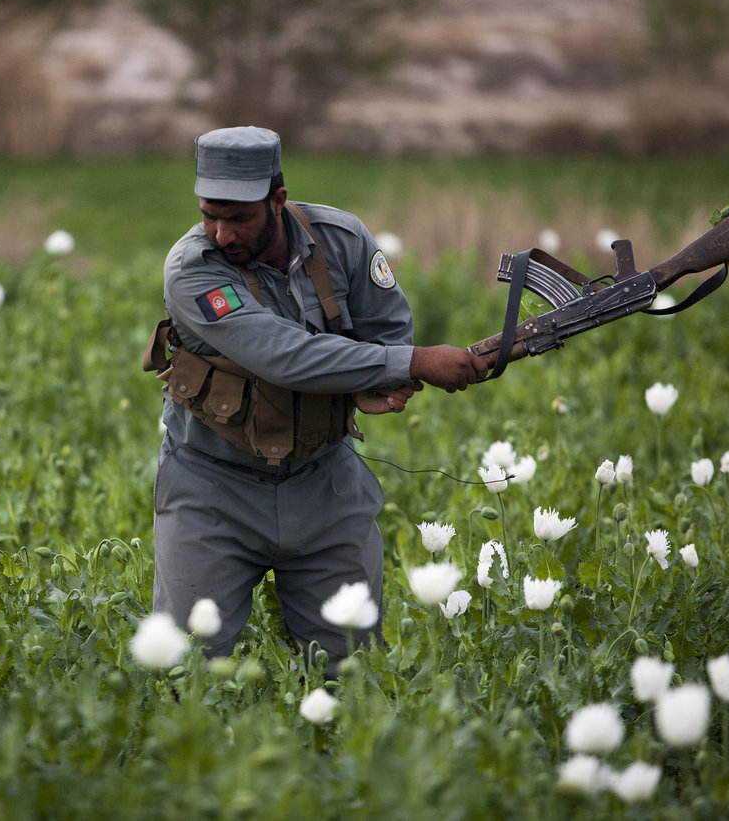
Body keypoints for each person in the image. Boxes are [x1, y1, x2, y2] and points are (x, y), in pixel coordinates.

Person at [143, 126, 488, 670]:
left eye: (238, 218)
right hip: (212, 490)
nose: (221, 233)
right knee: (186, 672)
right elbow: (283, 354)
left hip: (325, 484)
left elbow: (387, 330)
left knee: (350, 675)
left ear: (278, 200)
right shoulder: (193, 269)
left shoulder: (343, 240)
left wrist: (368, 381)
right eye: (210, 214)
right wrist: (415, 363)